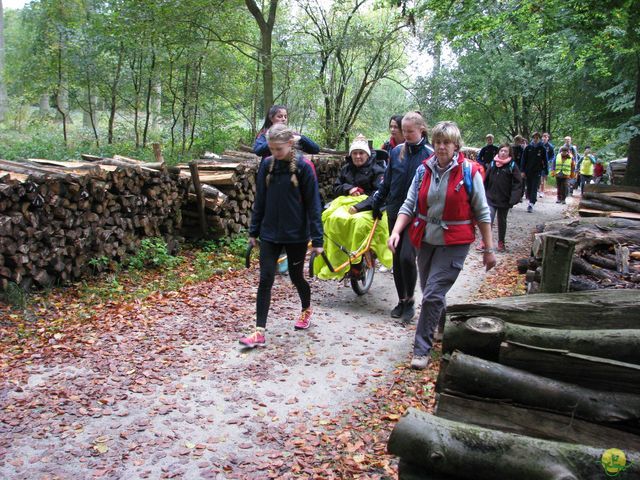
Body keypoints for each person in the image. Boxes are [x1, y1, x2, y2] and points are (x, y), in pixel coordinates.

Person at [387, 121, 496, 370]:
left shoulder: (469, 172)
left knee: (433, 293)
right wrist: (395, 232)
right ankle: (444, 329)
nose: (441, 147)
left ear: (456, 145)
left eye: (446, 142)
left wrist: (489, 250)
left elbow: (482, 212)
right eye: (437, 142)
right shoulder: (424, 170)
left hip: (455, 241)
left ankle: (421, 349)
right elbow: (409, 204)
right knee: (430, 291)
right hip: (426, 239)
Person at [240, 124, 324, 348]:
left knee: (296, 277)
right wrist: (254, 231)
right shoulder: (267, 165)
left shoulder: (304, 168)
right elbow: (260, 201)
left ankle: (306, 309)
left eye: (278, 149)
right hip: (270, 233)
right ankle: (259, 331)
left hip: (296, 234)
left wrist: (317, 240)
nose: (273, 153)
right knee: (265, 278)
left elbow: (313, 205)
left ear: (290, 144)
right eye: (271, 148)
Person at [371, 111, 434, 324]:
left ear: (421, 130)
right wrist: (377, 203)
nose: (405, 135)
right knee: (396, 258)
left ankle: (411, 299)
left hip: (417, 215)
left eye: (410, 131)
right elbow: (387, 182)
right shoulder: (397, 151)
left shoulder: (429, 154)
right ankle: (402, 299)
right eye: (403, 130)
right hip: (394, 210)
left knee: (407, 256)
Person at [314, 135, 392, 279]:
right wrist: (348, 188)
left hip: (369, 206)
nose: (357, 156)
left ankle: (356, 261)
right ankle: (337, 256)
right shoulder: (346, 169)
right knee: (332, 219)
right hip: (346, 203)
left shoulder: (377, 170)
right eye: (355, 153)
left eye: (361, 153)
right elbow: (335, 188)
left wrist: (359, 207)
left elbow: (380, 194)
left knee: (359, 223)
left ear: (367, 154)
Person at [483, 144, 523, 252]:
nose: (503, 153)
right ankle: (485, 242)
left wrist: (514, 198)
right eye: (501, 150)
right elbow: (485, 180)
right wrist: (482, 193)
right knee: (488, 218)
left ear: (509, 153)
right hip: (490, 197)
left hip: (505, 199)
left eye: (505, 151)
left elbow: (518, 183)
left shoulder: (512, 166)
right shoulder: (492, 163)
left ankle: (501, 242)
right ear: (498, 152)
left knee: (502, 221)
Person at [253, 105, 320, 160]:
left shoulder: (291, 135)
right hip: (269, 170)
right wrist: (274, 140)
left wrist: (300, 138)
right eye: (280, 116)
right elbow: (258, 151)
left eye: (285, 116)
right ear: (271, 118)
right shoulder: (264, 134)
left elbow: (315, 149)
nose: (283, 119)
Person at [521, 132, 547, 213]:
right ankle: (530, 200)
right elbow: (523, 160)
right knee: (529, 187)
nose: (535, 139)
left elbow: (545, 161)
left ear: (539, 139)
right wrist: (522, 171)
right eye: (534, 138)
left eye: (537, 138)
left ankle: (531, 204)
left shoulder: (542, 148)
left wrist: (546, 172)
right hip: (528, 171)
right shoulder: (528, 148)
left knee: (534, 187)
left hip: (537, 171)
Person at [540, 132, 555, 198]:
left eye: (546, 137)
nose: (544, 138)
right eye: (543, 136)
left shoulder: (550, 147)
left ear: (548, 138)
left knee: (543, 178)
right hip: (537, 164)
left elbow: (552, 156)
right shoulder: (539, 144)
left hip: (545, 164)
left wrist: (549, 161)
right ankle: (537, 189)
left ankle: (542, 191)